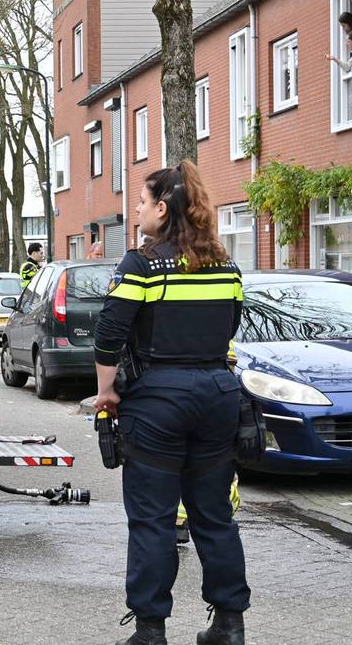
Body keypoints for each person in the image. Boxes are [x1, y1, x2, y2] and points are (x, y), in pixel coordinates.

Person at [93, 161, 250, 645]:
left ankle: (150, 631)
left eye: (142, 202)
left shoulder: (141, 265)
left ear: (162, 209)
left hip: (158, 401)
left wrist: (106, 391)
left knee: (153, 519)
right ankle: (229, 625)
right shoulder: (226, 265)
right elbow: (231, 326)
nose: (138, 210)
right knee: (215, 516)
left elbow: (109, 333)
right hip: (217, 396)